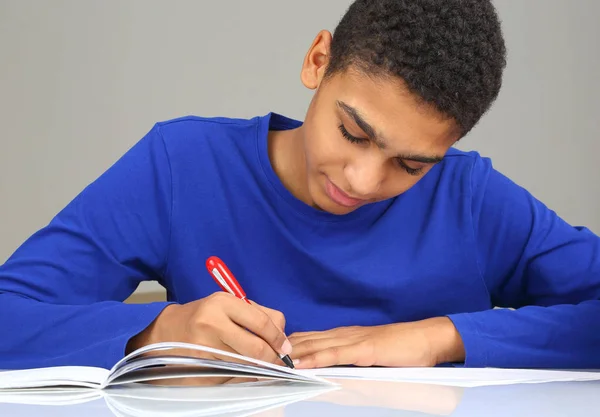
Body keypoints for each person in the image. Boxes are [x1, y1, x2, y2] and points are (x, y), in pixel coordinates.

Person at [1, 0, 599, 372]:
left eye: (411, 166)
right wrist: (154, 334)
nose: (363, 181)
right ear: (318, 60)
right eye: (352, 131)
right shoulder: (182, 166)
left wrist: (440, 338)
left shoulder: (468, 197)